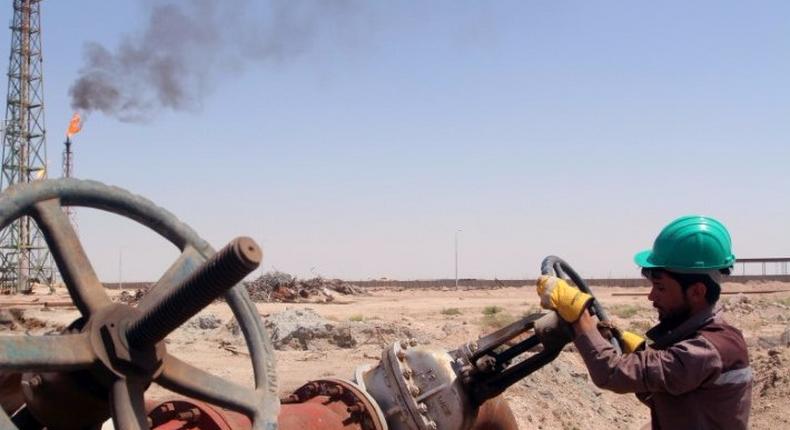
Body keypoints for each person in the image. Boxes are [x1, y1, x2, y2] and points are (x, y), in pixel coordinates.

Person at [536, 215, 752, 429]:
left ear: (696, 292)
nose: (651, 296)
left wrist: (579, 315)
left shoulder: (704, 351)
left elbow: (611, 373)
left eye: (660, 288)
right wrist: (641, 351)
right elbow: (669, 393)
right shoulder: (717, 337)